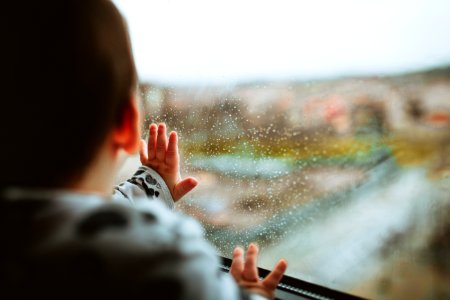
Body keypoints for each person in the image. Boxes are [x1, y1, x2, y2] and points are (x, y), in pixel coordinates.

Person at [0, 0, 287, 299]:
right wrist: (252, 294)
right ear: (126, 127)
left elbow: (101, 211)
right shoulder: (155, 254)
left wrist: (152, 181)